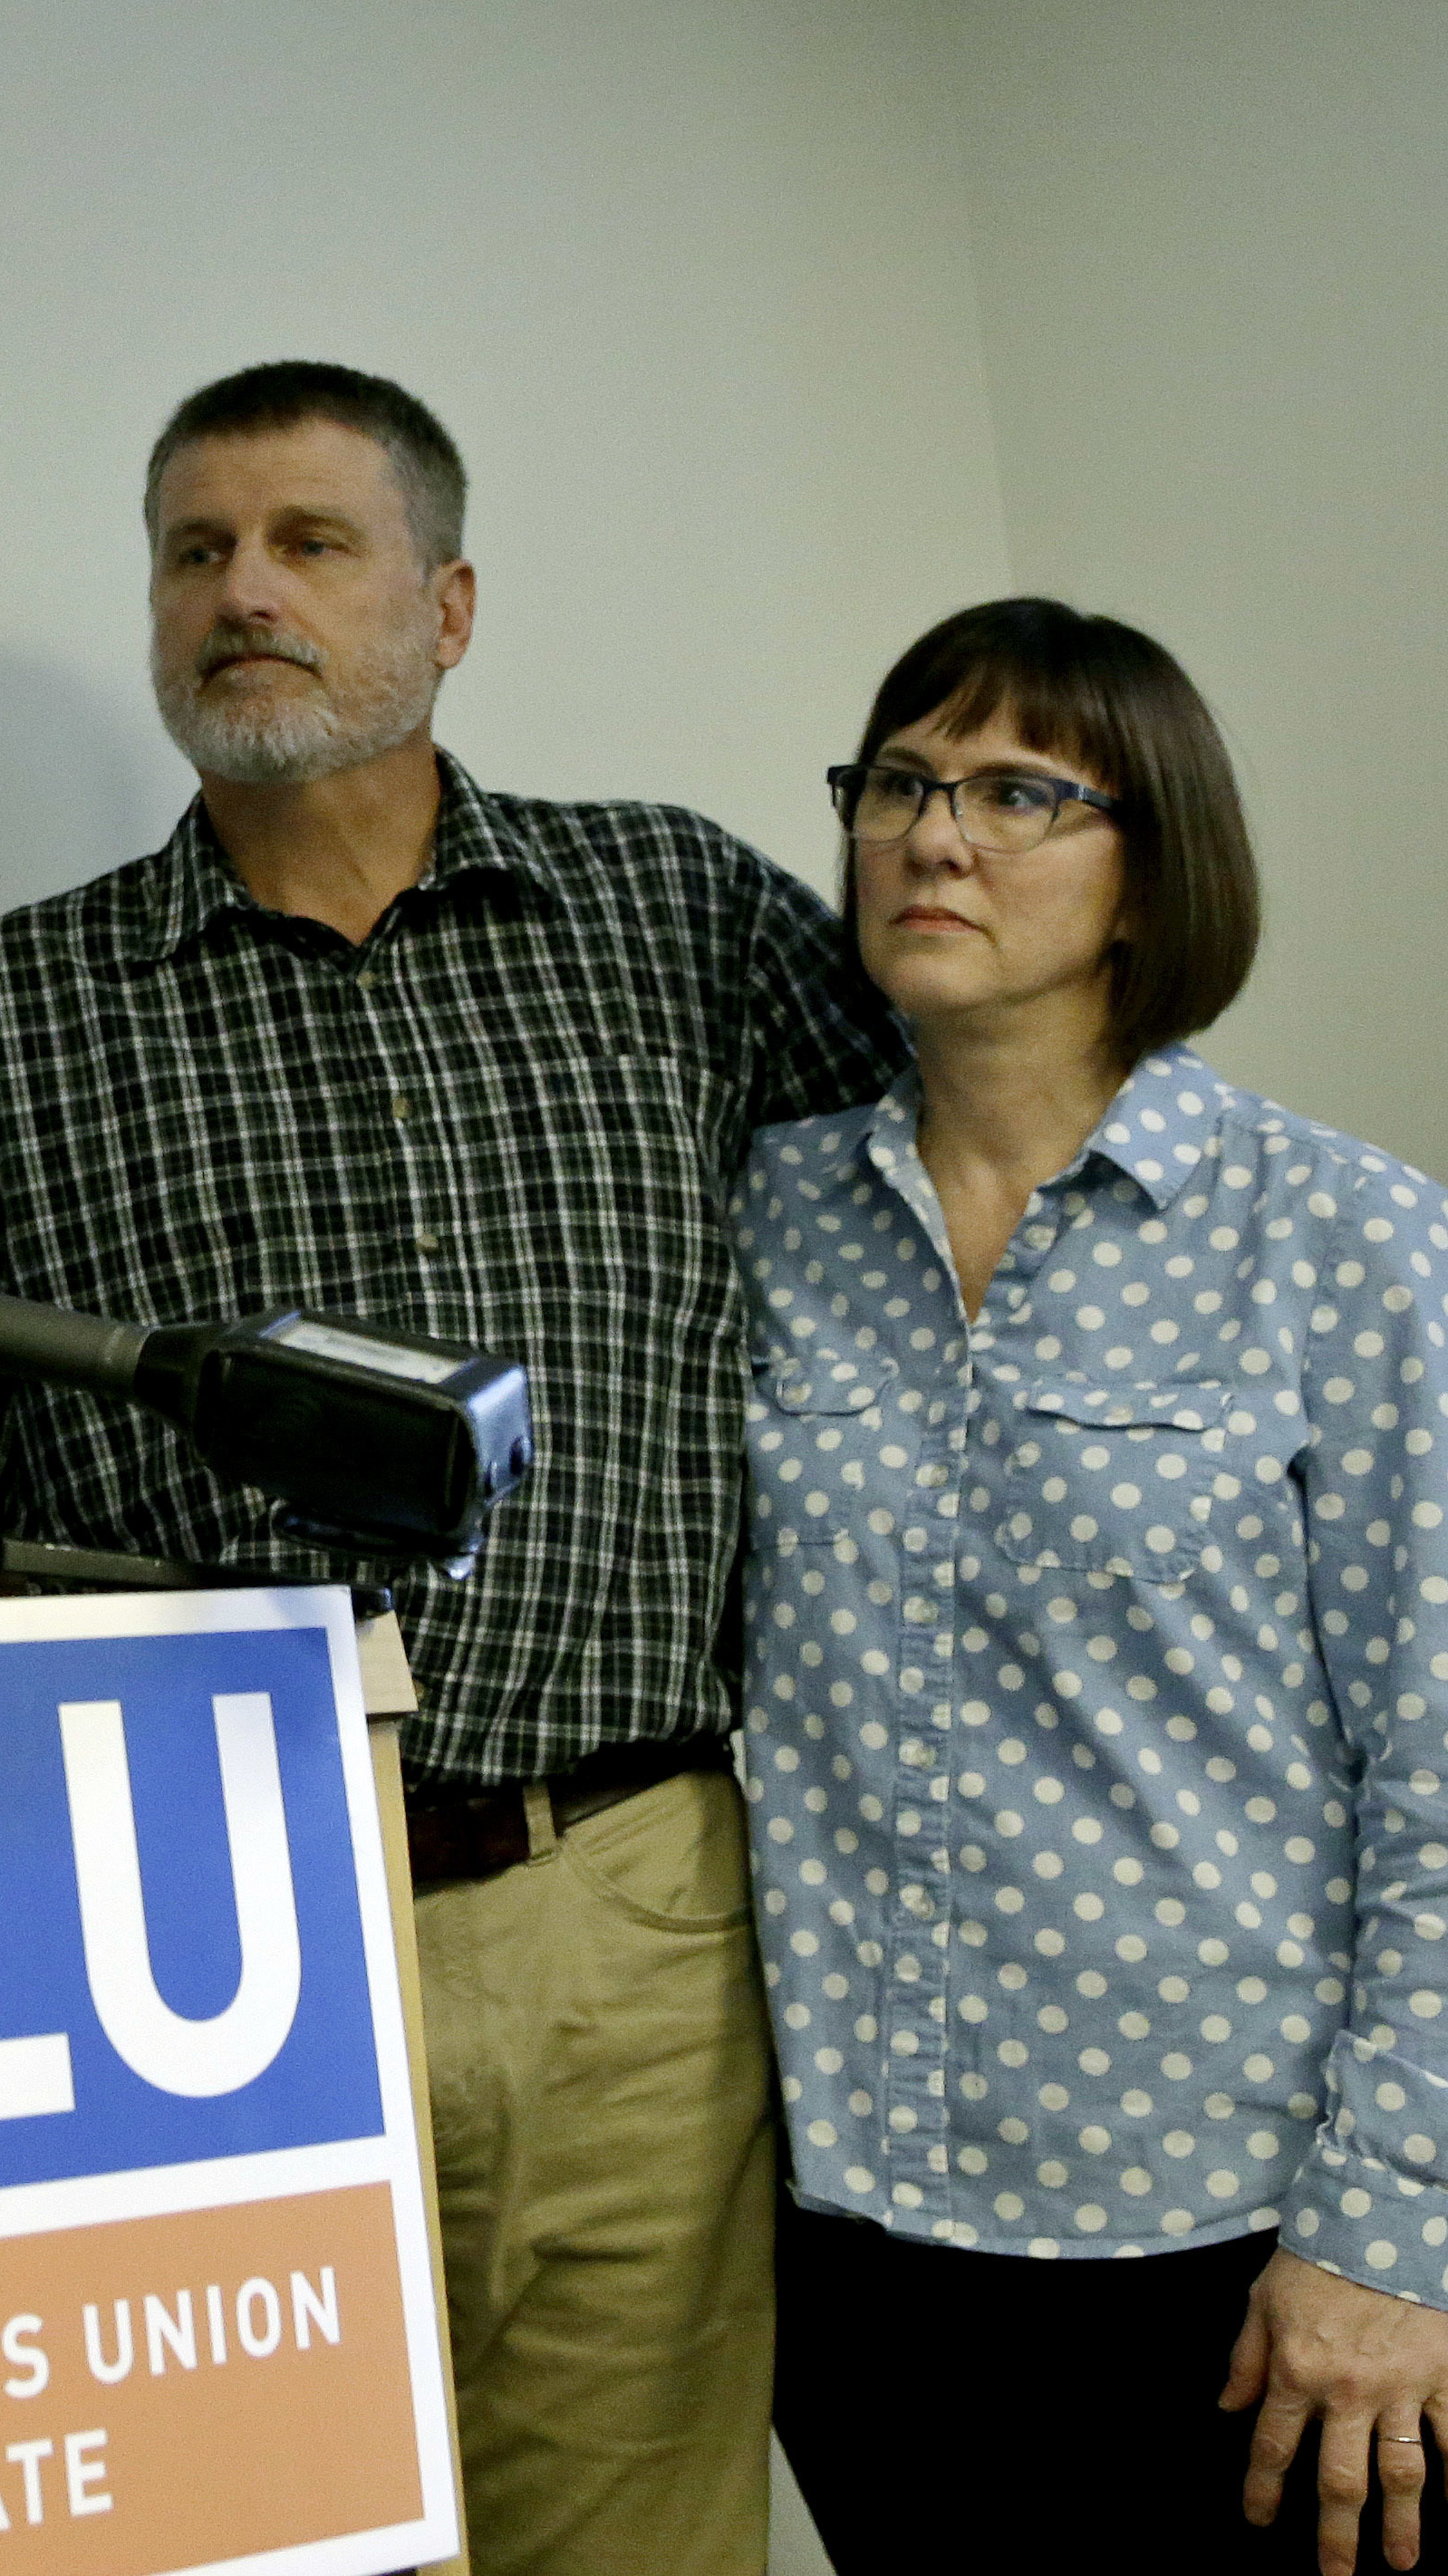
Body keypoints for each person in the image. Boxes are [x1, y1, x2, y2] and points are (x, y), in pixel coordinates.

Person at [0, 361, 903, 2575]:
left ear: (450, 604)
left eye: (311, 543)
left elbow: (940, 1233)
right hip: (208, 1939)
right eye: (194, 552)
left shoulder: (681, 922)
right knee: (267, 2543)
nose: (244, 593)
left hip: (635, 1918)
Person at [743, 600, 1448, 2576]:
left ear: (1155, 870)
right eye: (895, 784)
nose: (931, 838)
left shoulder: (1344, 1241)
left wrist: (1389, 2235)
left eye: (1015, 792)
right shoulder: (768, 1222)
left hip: (1232, 2258)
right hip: (857, 2242)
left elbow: (1446, 1768)